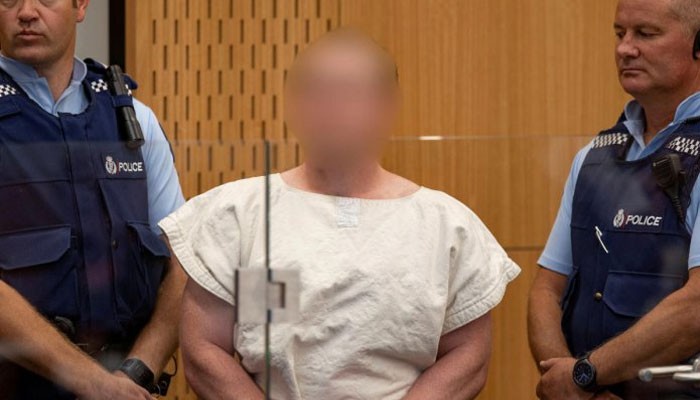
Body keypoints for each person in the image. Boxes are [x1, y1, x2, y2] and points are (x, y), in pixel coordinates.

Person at [160, 28, 520, 400]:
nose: (332, 107)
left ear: (386, 106)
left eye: (349, 93)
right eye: (316, 91)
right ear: (293, 105)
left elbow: (468, 355)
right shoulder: (239, 213)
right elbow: (205, 349)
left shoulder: (447, 226)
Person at [0, 0, 187, 399]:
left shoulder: (133, 120)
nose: (26, 12)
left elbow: (184, 263)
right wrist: (94, 383)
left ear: (81, 5)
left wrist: (137, 373)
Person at [528, 0, 700, 399]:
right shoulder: (593, 156)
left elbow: (696, 308)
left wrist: (584, 375)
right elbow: (546, 290)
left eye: (646, 33)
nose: (625, 48)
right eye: (620, 33)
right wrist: (570, 386)